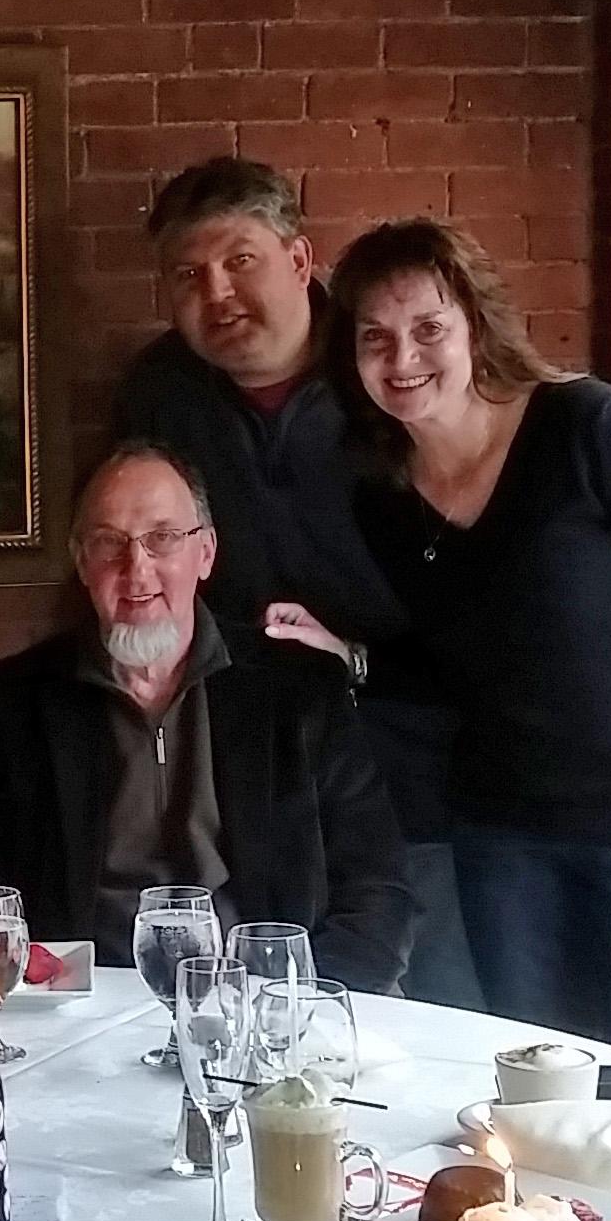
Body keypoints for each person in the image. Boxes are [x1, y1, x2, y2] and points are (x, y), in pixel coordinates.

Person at [330, 217, 611, 1083]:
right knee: (538, 1095)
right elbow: (468, 662)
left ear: (475, 327)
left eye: (427, 328)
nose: (402, 357)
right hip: (505, 845)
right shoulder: (381, 496)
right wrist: (349, 654)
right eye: (373, 337)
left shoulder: (590, 428)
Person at [113, 156, 477, 1010]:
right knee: (291, 995)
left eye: (239, 261)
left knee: (441, 1008)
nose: (217, 294)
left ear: (299, 259)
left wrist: (362, 657)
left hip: (418, 741)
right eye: (187, 276)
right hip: (265, 753)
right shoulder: (159, 392)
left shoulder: (382, 365)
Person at [0, 443, 412, 990]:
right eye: (108, 542)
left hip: (261, 995)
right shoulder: (3, 704)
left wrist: (306, 1003)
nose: (136, 569)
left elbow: (377, 890)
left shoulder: (299, 689)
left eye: (162, 537)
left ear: (205, 553)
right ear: (82, 562)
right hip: (84, 1005)